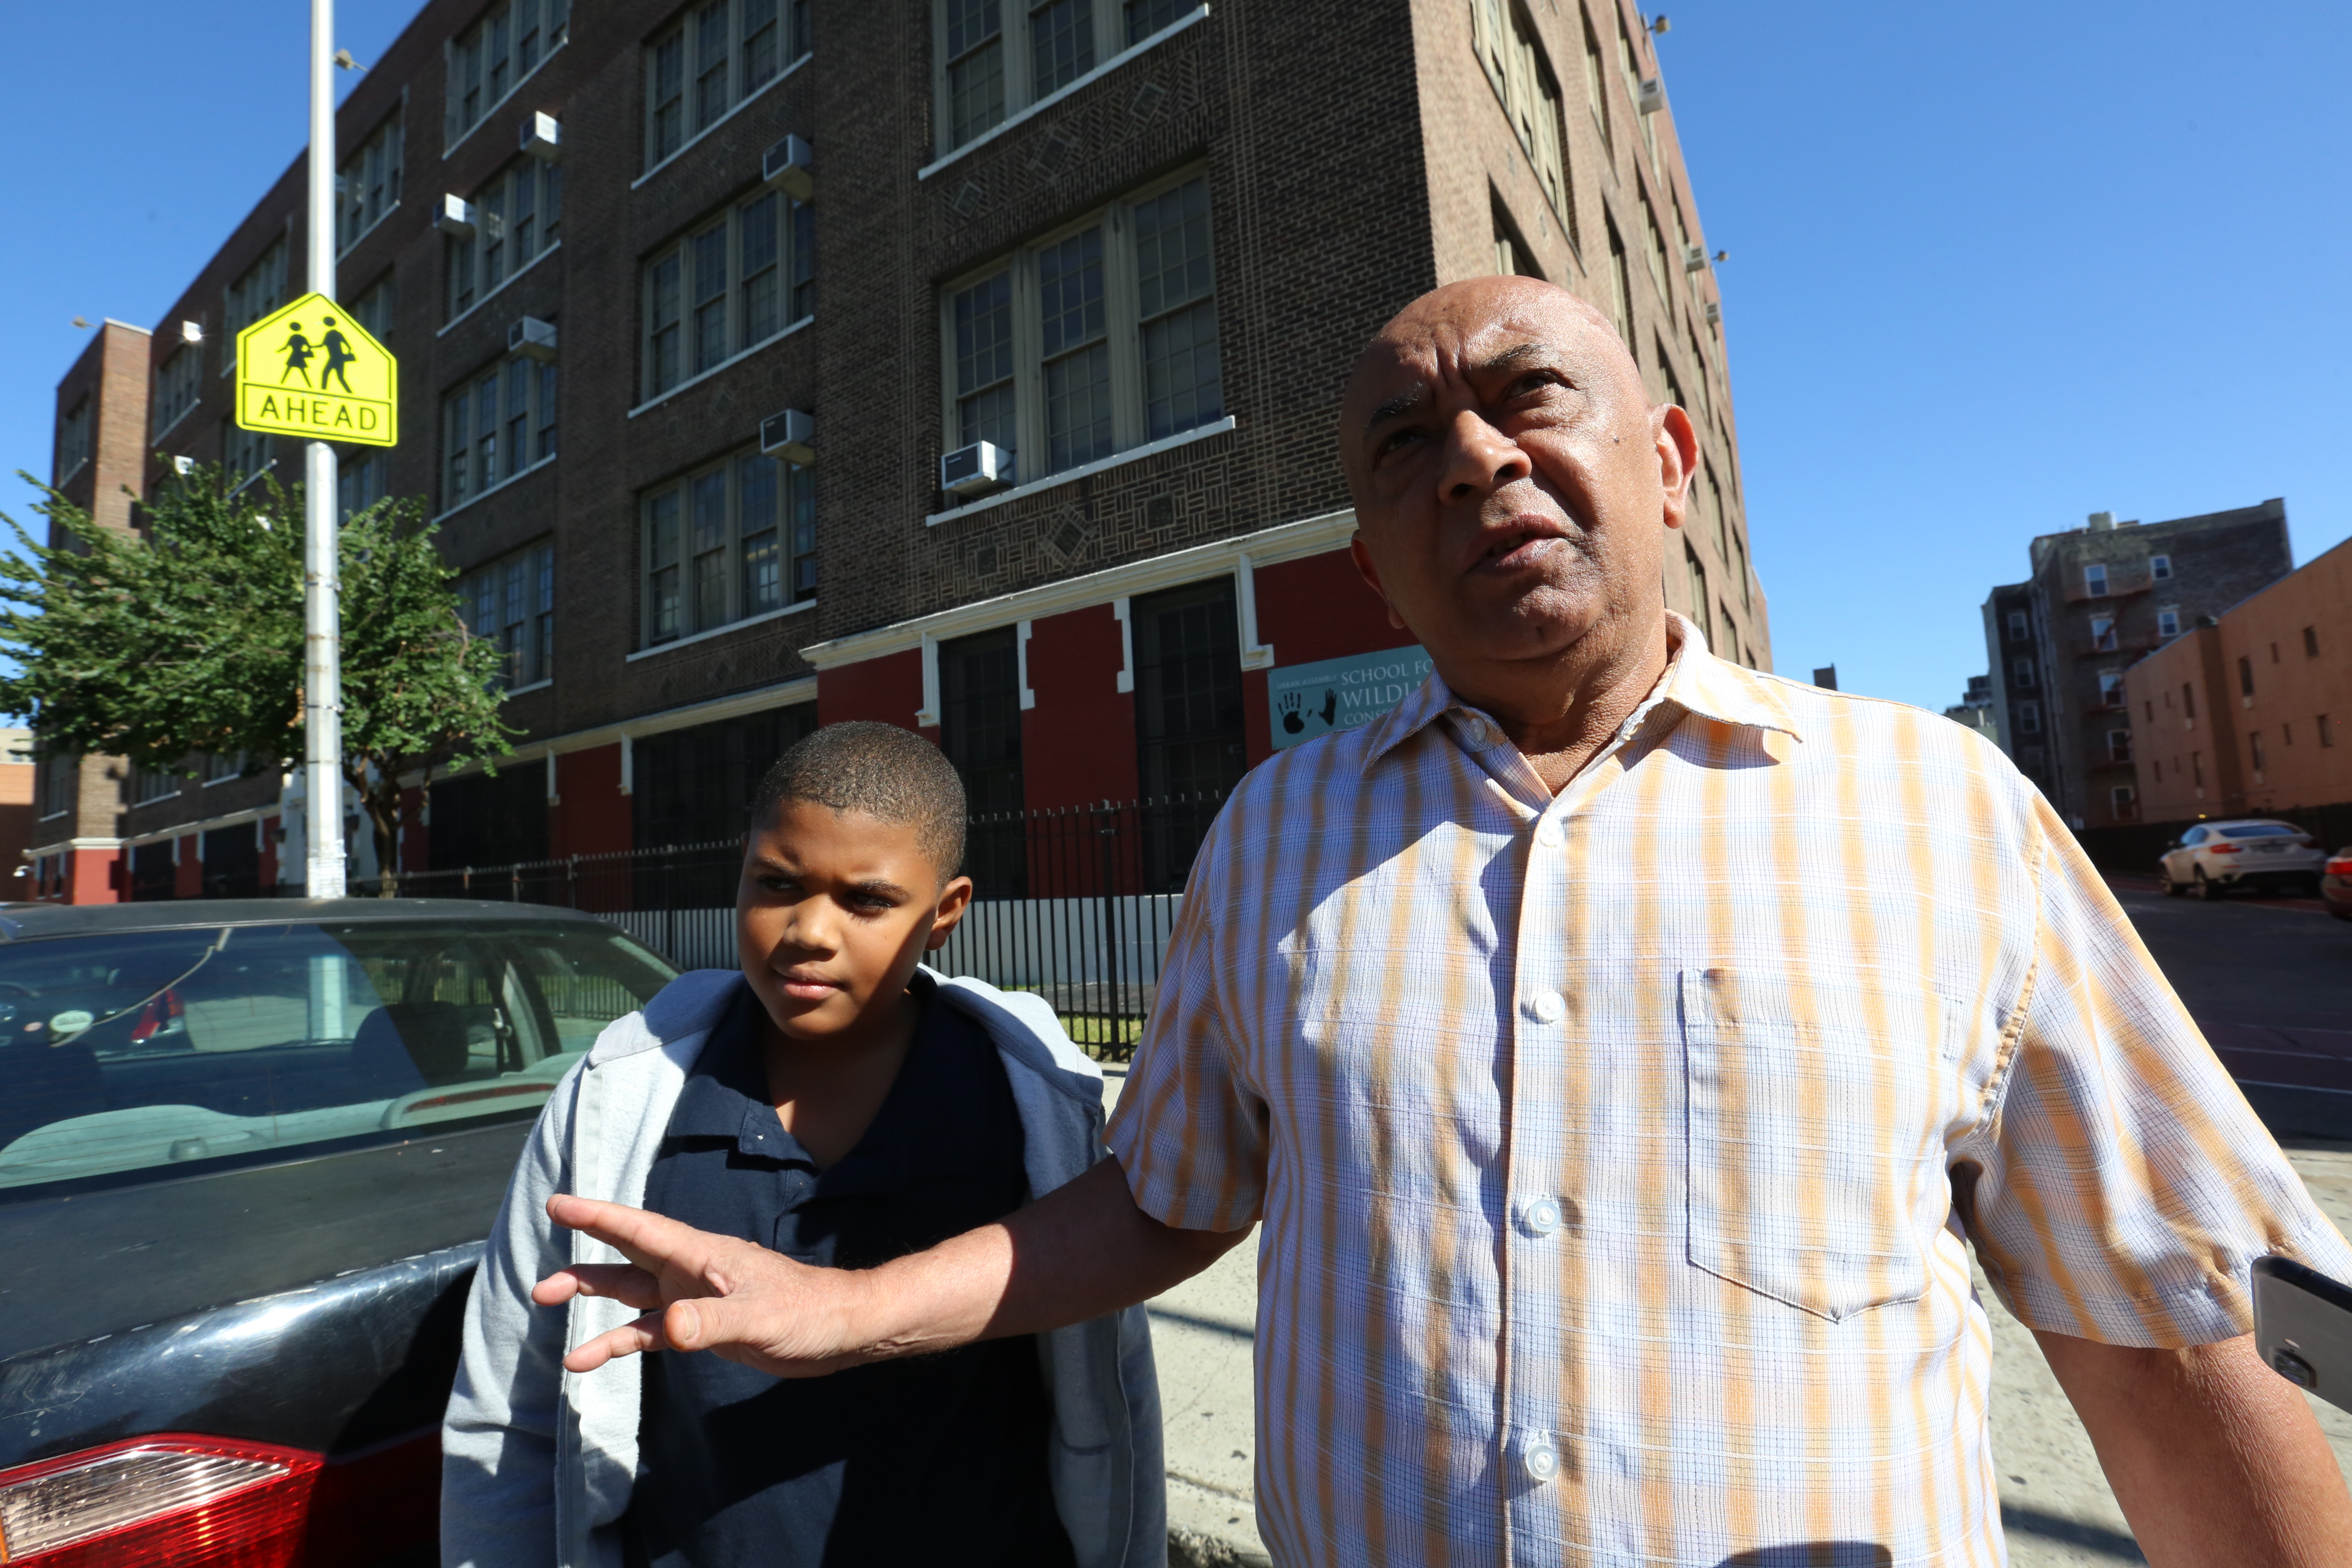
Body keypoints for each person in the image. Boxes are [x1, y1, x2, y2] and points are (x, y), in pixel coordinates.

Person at [533, 278, 2352, 1567]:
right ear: (1371, 552)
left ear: (1669, 455)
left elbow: (2171, 1326)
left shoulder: (1940, 812)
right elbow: (1162, 1197)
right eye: (1408, 442)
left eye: (1527, 397)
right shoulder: (1274, 838)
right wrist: (834, 1312)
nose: (1474, 456)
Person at [442, 722, 1163, 1568]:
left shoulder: (1037, 1111)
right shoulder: (620, 1100)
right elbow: (509, 1412)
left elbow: (1116, 1405)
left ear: (945, 914)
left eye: (865, 900)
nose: (809, 931)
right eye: (777, 884)